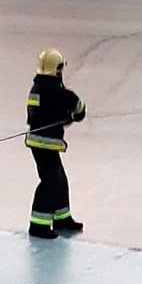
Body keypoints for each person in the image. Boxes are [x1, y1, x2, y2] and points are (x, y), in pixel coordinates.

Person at [26, 49, 86, 240]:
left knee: (60, 179)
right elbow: (78, 109)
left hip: (38, 141)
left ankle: (62, 219)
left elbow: (36, 114)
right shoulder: (57, 91)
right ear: (57, 69)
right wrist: (71, 115)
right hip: (46, 144)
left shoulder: (36, 89)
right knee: (51, 182)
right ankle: (38, 225)